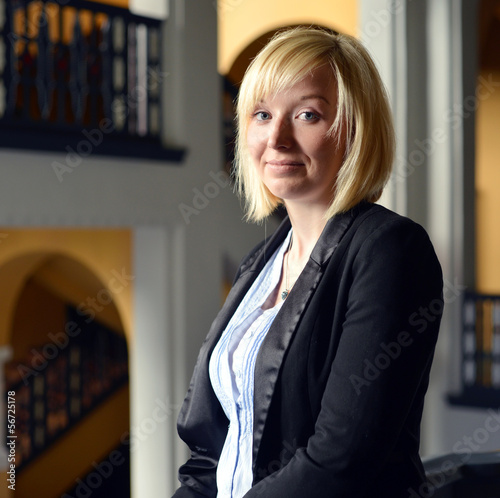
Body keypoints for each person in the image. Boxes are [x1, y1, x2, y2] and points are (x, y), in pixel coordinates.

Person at [172, 27, 443, 498]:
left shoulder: (391, 251)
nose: (276, 138)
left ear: (355, 129)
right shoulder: (259, 263)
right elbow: (210, 453)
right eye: (261, 114)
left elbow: (339, 464)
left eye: (307, 114)